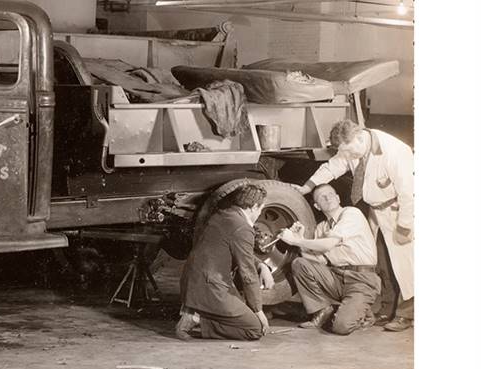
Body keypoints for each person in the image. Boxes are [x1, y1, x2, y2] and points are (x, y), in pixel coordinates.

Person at [295, 119, 415, 332]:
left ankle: (407, 315)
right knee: (383, 263)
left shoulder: (396, 152)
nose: (347, 157)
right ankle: (387, 309)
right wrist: (307, 187)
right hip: (376, 211)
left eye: (349, 151)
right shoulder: (352, 147)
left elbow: (409, 192)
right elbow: (332, 167)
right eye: (344, 152)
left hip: (399, 212)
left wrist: (405, 226)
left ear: (359, 138)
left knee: (406, 266)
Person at [279, 183, 382, 335]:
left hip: (361, 280)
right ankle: (322, 309)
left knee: (341, 327)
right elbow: (318, 260)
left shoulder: (351, 213)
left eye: (331, 194)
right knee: (300, 264)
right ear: (317, 206)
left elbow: (329, 243)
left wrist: (295, 241)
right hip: (337, 278)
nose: (328, 198)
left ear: (338, 198)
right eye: (322, 197)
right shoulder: (321, 227)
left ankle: (362, 310)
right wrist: (300, 239)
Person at [175, 182, 271, 341]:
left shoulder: (222, 215)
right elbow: (248, 274)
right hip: (211, 288)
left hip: (193, 282)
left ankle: (196, 314)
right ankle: (196, 321)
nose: (260, 213)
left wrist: (261, 265)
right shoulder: (243, 227)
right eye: (261, 209)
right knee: (255, 329)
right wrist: (258, 311)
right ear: (254, 207)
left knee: (240, 315)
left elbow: (236, 249)